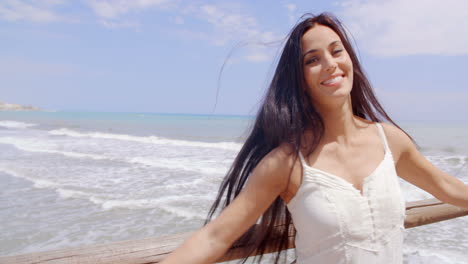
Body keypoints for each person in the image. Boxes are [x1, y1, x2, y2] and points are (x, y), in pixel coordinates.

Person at [161, 12, 468, 264]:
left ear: (351, 61)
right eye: (312, 59)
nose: (330, 64)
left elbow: (445, 186)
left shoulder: (389, 139)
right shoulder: (286, 163)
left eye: (337, 51)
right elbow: (217, 236)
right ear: (300, 79)